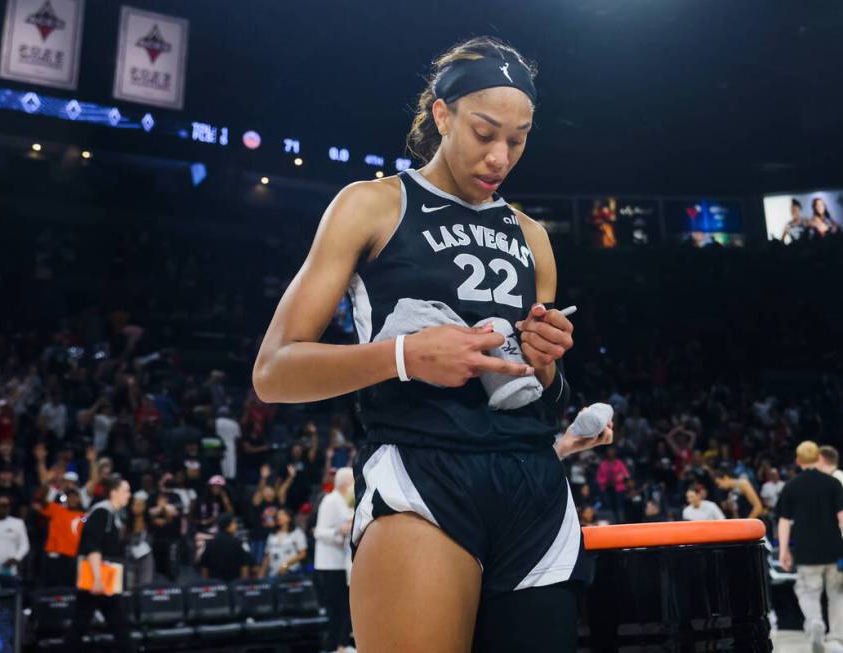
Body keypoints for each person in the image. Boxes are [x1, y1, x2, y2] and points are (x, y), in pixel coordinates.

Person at [253, 36, 612, 652]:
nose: (500, 156)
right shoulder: (371, 204)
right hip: (423, 472)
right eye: (484, 131)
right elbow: (274, 371)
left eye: (518, 140)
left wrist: (549, 368)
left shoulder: (532, 236)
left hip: (534, 488)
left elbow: (537, 395)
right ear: (442, 115)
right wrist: (405, 355)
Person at [776, 441, 843, 650]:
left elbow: (784, 521)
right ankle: (836, 638)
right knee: (837, 594)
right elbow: (842, 517)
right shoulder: (833, 484)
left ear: (798, 461)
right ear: (817, 458)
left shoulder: (791, 487)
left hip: (806, 551)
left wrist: (784, 551)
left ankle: (814, 621)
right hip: (834, 549)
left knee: (808, 592)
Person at [65, 475, 134, 653]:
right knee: (84, 625)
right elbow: (92, 546)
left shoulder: (112, 514)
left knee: (112, 624)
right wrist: (96, 579)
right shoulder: (101, 512)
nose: (129, 495)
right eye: (126, 491)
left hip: (106, 580)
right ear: (113, 493)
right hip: (98, 580)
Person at [314, 467, 355, 653]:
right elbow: (319, 532)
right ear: (346, 484)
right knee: (336, 610)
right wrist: (340, 531)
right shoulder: (330, 501)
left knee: (346, 609)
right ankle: (332, 646)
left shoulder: (346, 503)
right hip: (329, 564)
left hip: (342, 563)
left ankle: (341, 645)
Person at [35, 486, 86, 587]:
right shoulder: (57, 509)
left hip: (74, 556)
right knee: (51, 585)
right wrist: (49, 485)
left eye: (75, 497)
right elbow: (42, 501)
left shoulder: (84, 516)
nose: (72, 499)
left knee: (70, 585)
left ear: (79, 499)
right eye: (69, 497)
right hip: (55, 553)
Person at [200, 514, 252, 582]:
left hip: (216, 586)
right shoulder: (239, 543)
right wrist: (242, 584)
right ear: (228, 526)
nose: (236, 525)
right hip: (233, 585)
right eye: (234, 523)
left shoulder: (210, 543)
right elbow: (245, 566)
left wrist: (206, 583)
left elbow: (204, 567)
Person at [260, 508, 306, 578]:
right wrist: (261, 574)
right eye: (278, 515)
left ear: (289, 518)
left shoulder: (297, 532)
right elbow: (267, 556)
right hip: (273, 573)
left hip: (292, 572)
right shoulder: (272, 535)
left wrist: (286, 565)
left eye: (282, 514)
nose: (279, 516)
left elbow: (302, 554)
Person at [596, 448, 629, 522]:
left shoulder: (619, 463)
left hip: (618, 489)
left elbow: (625, 474)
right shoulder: (603, 464)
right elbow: (599, 478)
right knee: (609, 507)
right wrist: (606, 481)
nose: (610, 454)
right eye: (609, 452)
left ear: (614, 453)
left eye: (612, 452)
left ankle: (621, 522)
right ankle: (612, 522)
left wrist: (618, 479)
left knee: (619, 506)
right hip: (606, 488)